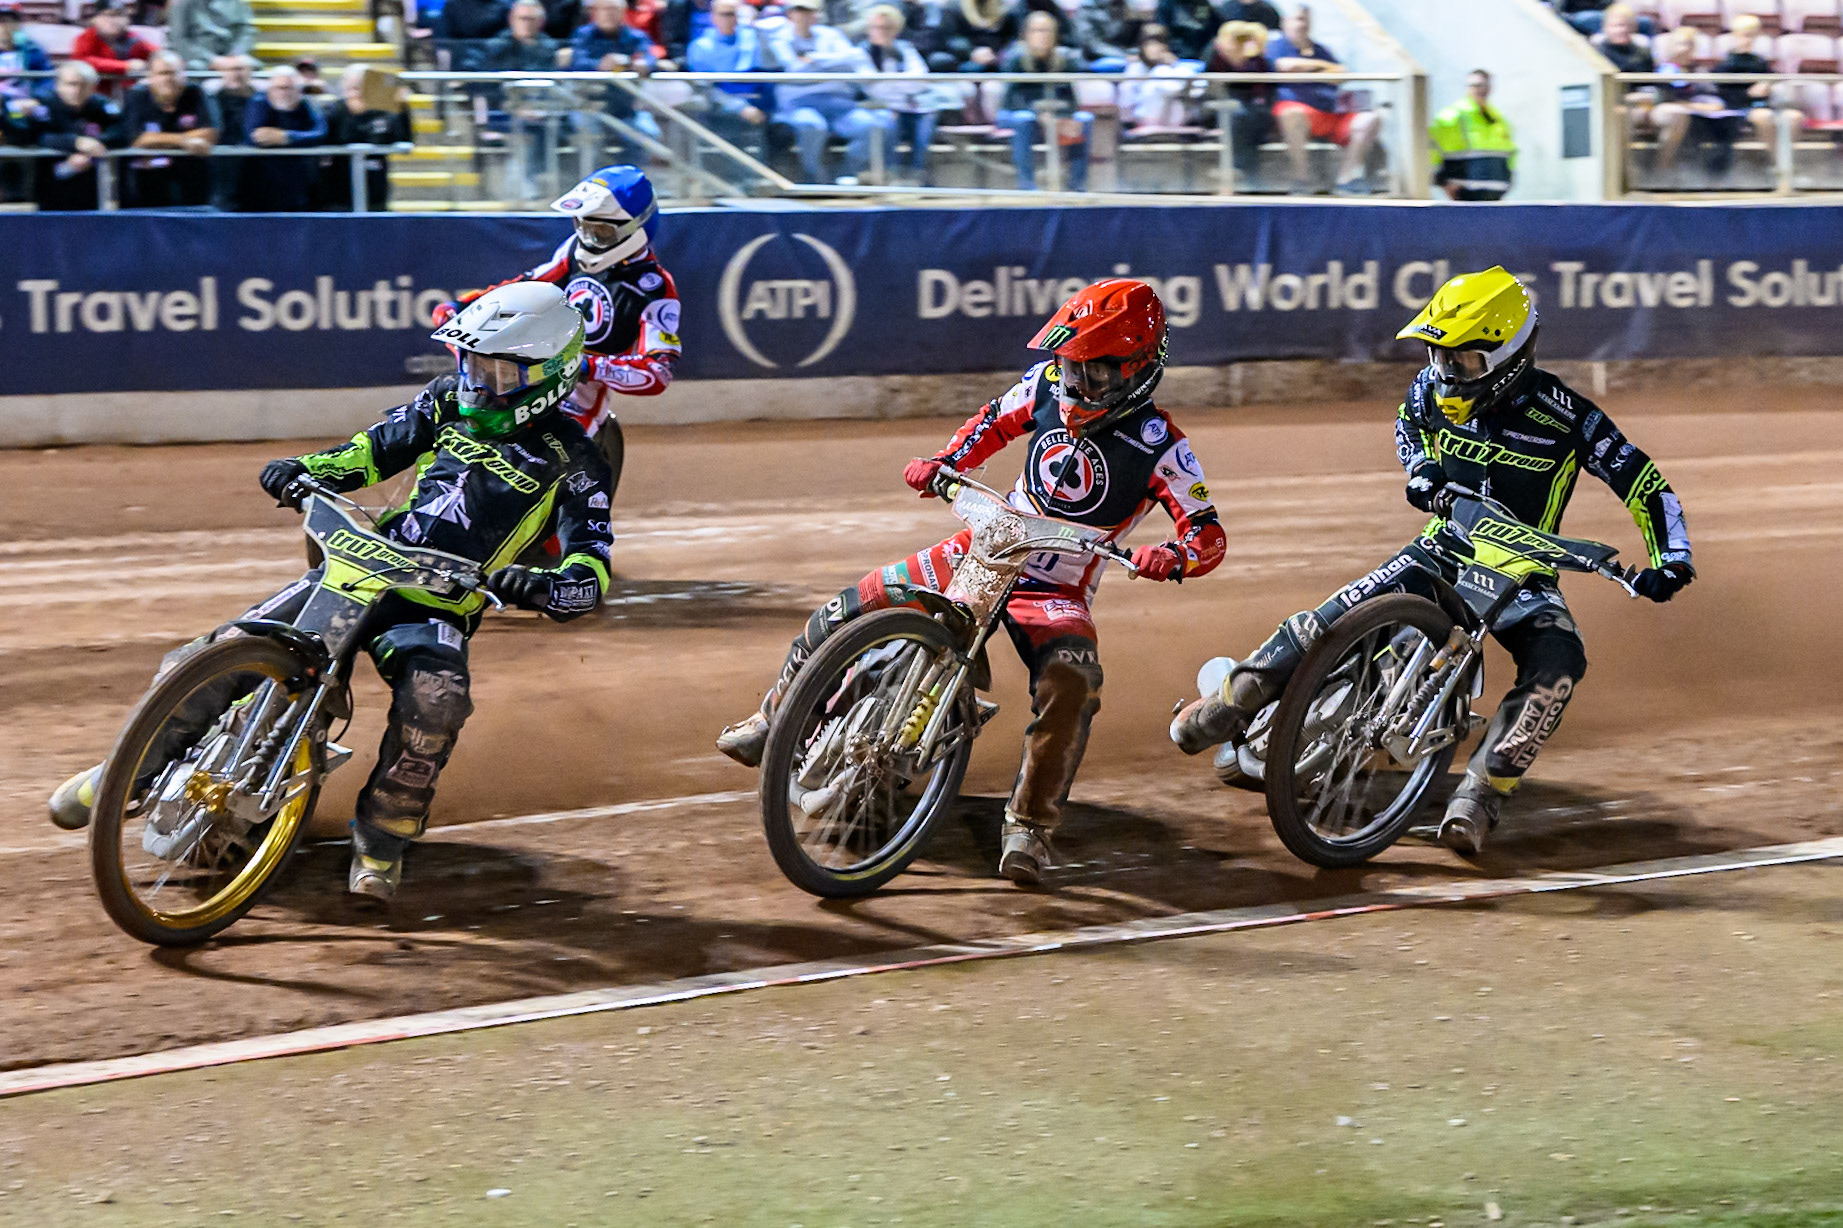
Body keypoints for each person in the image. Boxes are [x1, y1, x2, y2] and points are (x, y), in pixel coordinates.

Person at [49, 283, 614, 902]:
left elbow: (591, 560)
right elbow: (368, 455)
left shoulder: (575, 460)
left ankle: (382, 837)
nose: (480, 380)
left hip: (437, 603)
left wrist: (552, 586)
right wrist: (304, 470)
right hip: (363, 566)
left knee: (437, 702)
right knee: (215, 652)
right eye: (473, 363)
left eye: (500, 370)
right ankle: (122, 775)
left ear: (549, 376)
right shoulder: (446, 401)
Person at [718, 279, 1226, 886]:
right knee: (846, 607)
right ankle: (775, 719)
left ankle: (1030, 827)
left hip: (1055, 589)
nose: (1076, 385)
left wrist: (1171, 557)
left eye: (1095, 374)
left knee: (1074, 681)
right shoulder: (1042, 387)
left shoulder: (1162, 446)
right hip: (984, 547)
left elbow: (1207, 535)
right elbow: (990, 424)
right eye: (1069, 368)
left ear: (1140, 370)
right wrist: (944, 462)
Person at [1173, 267, 1694, 855]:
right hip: (1441, 548)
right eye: (1437, 355)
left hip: (1524, 571)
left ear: (1509, 358)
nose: (1445, 372)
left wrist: (1671, 557)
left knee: (1561, 662)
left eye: (1463, 360)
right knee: (1332, 615)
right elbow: (1409, 424)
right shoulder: (1429, 389)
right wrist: (1421, 470)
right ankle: (1233, 696)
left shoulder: (1568, 415)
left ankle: (1480, 796)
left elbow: (1644, 481)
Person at [433, 165, 677, 501]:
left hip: (574, 403)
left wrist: (584, 365)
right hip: (520, 380)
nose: (589, 239)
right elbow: (524, 286)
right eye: (583, 227)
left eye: (600, 232)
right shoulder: (571, 253)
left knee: (527, 475)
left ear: (634, 228)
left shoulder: (655, 288)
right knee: (446, 408)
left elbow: (658, 372)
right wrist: (466, 308)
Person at [761, 0, 882, 185]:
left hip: (840, 103)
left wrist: (814, 60)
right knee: (812, 125)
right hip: (799, 103)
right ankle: (814, 178)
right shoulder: (779, 38)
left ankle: (847, 175)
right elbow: (795, 70)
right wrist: (833, 66)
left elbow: (856, 57)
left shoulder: (831, 35)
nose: (806, 15)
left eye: (811, 11)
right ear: (790, 14)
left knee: (870, 125)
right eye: (800, 10)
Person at [1267, 5, 1378, 195]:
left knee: (1370, 119)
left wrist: (1311, 68)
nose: (1303, 25)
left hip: (1330, 112)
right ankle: (1301, 179)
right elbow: (1285, 66)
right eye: (1299, 19)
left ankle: (1346, 179)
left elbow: (1341, 74)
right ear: (1286, 22)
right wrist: (1322, 68)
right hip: (1298, 111)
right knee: (1291, 114)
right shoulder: (1277, 46)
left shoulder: (1321, 49)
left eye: (1307, 20)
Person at [1, 60, 124, 210]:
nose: (77, 91)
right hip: (51, 183)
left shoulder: (101, 105)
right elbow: (33, 135)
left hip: (90, 184)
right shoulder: (44, 102)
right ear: (58, 85)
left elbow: (121, 131)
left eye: (83, 85)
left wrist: (96, 145)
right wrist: (75, 142)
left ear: (93, 87)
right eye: (71, 84)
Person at [997, 10, 1093, 190]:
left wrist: (1065, 117)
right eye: (1036, 31)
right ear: (1026, 34)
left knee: (1084, 119)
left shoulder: (1065, 60)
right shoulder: (1015, 59)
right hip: (1016, 114)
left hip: (1054, 115)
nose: (1041, 36)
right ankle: (1026, 185)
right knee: (1023, 119)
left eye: (1046, 31)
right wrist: (1040, 114)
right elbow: (1012, 99)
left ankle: (1077, 186)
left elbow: (1070, 98)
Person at [121, 51, 220, 208]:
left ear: (184, 75)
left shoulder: (198, 93)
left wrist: (157, 139)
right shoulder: (136, 96)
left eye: (174, 73)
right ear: (150, 76)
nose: (168, 79)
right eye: (162, 73)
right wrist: (185, 141)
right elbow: (137, 139)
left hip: (193, 182)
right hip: (148, 183)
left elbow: (211, 133)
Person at [859, 3, 937, 182]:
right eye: (877, 28)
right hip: (879, 106)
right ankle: (890, 175)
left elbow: (921, 80)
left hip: (910, 105)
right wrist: (902, 82)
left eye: (887, 28)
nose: (881, 32)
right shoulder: (862, 51)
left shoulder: (905, 48)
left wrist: (891, 82)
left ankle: (918, 175)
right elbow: (872, 87)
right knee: (887, 121)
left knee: (927, 121)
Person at [685, 0, 768, 158]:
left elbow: (769, 68)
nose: (731, 19)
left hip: (757, 103)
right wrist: (740, 107)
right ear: (713, 17)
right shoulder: (700, 47)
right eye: (726, 14)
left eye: (736, 15)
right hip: (719, 108)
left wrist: (756, 26)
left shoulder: (753, 38)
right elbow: (705, 89)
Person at [322, 64, 412, 210]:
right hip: (339, 191)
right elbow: (335, 140)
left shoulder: (383, 113)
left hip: (375, 189)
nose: (358, 94)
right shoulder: (333, 111)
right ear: (344, 88)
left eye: (363, 88)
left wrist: (402, 108)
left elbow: (404, 138)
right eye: (354, 88)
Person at [240, 65, 325, 211]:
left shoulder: (307, 105)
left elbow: (320, 133)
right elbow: (255, 136)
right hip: (261, 183)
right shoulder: (259, 102)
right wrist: (298, 139)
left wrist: (287, 136)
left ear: (299, 90)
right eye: (279, 88)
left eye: (289, 88)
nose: (284, 93)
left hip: (300, 184)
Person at [1429, 68, 1514, 200]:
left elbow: (1510, 153)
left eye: (1485, 85)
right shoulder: (1452, 116)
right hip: (1463, 195)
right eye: (1476, 85)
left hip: (1495, 196)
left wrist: (1509, 179)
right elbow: (1432, 151)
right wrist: (1441, 181)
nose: (1481, 90)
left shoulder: (1498, 118)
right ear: (1467, 87)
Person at [1204, 19, 1274, 179]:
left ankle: (1239, 173)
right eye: (1235, 37)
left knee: (1242, 118)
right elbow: (1208, 84)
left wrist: (1252, 53)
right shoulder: (1216, 56)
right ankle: (1240, 172)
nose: (1239, 42)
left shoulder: (1258, 60)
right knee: (1237, 115)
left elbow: (1266, 90)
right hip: (1219, 108)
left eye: (1243, 37)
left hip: (1253, 110)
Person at [71, 1, 156, 92]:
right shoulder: (87, 37)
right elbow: (83, 61)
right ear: (95, 19)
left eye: (117, 15)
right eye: (106, 15)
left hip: (128, 93)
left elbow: (157, 55)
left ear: (127, 19)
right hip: (93, 93)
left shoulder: (133, 38)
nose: (112, 20)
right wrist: (125, 66)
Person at [166, 0, 257, 71]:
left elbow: (246, 32)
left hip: (233, 58)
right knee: (194, 67)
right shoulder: (181, 3)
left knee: (249, 66)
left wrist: (235, 55)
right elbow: (179, 39)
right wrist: (212, 60)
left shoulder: (236, 2)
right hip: (199, 59)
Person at [941, 0, 1017, 71]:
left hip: (998, 60)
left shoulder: (1006, 9)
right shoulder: (954, 7)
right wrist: (971, 53)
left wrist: (998, 55)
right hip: (965, 60)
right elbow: (950, 39)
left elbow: (1012, 38)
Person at [433, 0, 510, 69]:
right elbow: (443, 42)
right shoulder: (453, 5)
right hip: (460, 63)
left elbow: (508, 35)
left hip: (495, 62)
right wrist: (445, 74)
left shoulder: (504, 5)